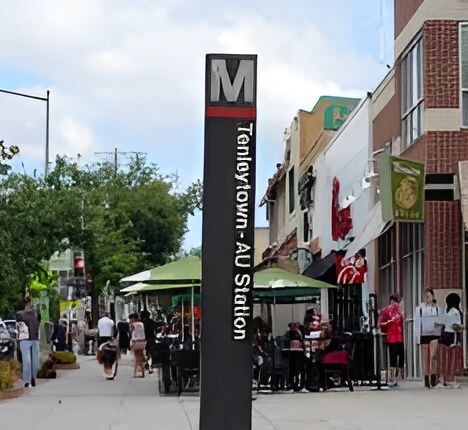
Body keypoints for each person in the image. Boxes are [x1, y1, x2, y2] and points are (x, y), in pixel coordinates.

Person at [414, 288, 442, 388]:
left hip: (434, 334)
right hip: (424, 334)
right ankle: (426, 376)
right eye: (426, 296)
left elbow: (441, 321)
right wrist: (417, 338)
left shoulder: (437, 309)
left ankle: (433, 376)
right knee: (425, 357)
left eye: (429, 296)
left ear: (433, 297)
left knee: (433, 356)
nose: (428, 298)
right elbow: (417, 324)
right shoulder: (419, 309)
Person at [438, 293, 463, 388]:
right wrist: (459, 339)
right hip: (452, 335)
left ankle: (442, 379)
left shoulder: (445, 310)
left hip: (444, 334)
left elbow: (442, 324)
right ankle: (450, 379)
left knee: (443, 358)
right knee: (452, 359)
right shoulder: (456, 312)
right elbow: (457, 327)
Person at [379, 295, 404, 387]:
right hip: (400, 337)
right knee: (400, 356)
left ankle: (392, 377)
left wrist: (385, 330)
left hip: (391, 337)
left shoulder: (386, 310)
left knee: (392, 358)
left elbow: (381, 323)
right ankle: (398, 375)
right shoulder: (400, 310)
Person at [18, 297, 40, 388]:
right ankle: (26, 380)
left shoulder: (36, 313)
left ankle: (33, 377)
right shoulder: (20, 314)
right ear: (26, 303)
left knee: (35, 362)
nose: (31, 304)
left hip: (34, 338)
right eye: (30, 302)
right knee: (27, 361)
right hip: (24, 339)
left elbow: (38, 323)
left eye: (31, 302)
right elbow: (18, 326)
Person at [129, 313, 146, 377]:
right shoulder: (142, 324)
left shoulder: (133, 324)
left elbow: (131, 332)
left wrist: (131, 324)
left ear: (133, 318)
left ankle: (136, 373)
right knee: (141, 356)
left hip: (135, 342)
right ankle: (142, 371)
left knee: (136, 357)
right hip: (142, 341)